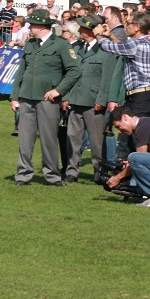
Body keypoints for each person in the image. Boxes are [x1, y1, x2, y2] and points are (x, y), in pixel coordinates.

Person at [10, 9, 82, 186]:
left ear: (42, 26)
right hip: (27, 96)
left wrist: (58, 91)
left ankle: (51, 174)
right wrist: (14, 96)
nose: (29, 27)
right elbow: (21, 71)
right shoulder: (30, 44)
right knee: (25, 138)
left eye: (32, 24)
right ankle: (23, 174)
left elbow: (75, 71)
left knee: (49, 138)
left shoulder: (60, 44)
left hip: (48, 99)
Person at [61, 16, 116, 182]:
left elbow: (108, 79)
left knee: (96, 141)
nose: (80, 32)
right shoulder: (77, 48)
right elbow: (70, 74)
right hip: (76, 99)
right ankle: (72, 171)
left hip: (94, 102)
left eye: (83, 30)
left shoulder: (105, 50)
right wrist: (66, 96)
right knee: (72, 138)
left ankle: (99, 172)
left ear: (91, 31)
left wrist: (102, 99)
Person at [98, 13, 150, 160]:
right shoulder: (138, 44)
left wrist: (99, 35)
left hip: (141, 97)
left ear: (137, 27)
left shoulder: (137, 45)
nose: (126, 26)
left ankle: (137, 173)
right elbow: (122, 46)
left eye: (129, 23)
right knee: (130, 137)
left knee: (137, 138)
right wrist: (110, 35)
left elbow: (111, 47)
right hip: (137, 96)